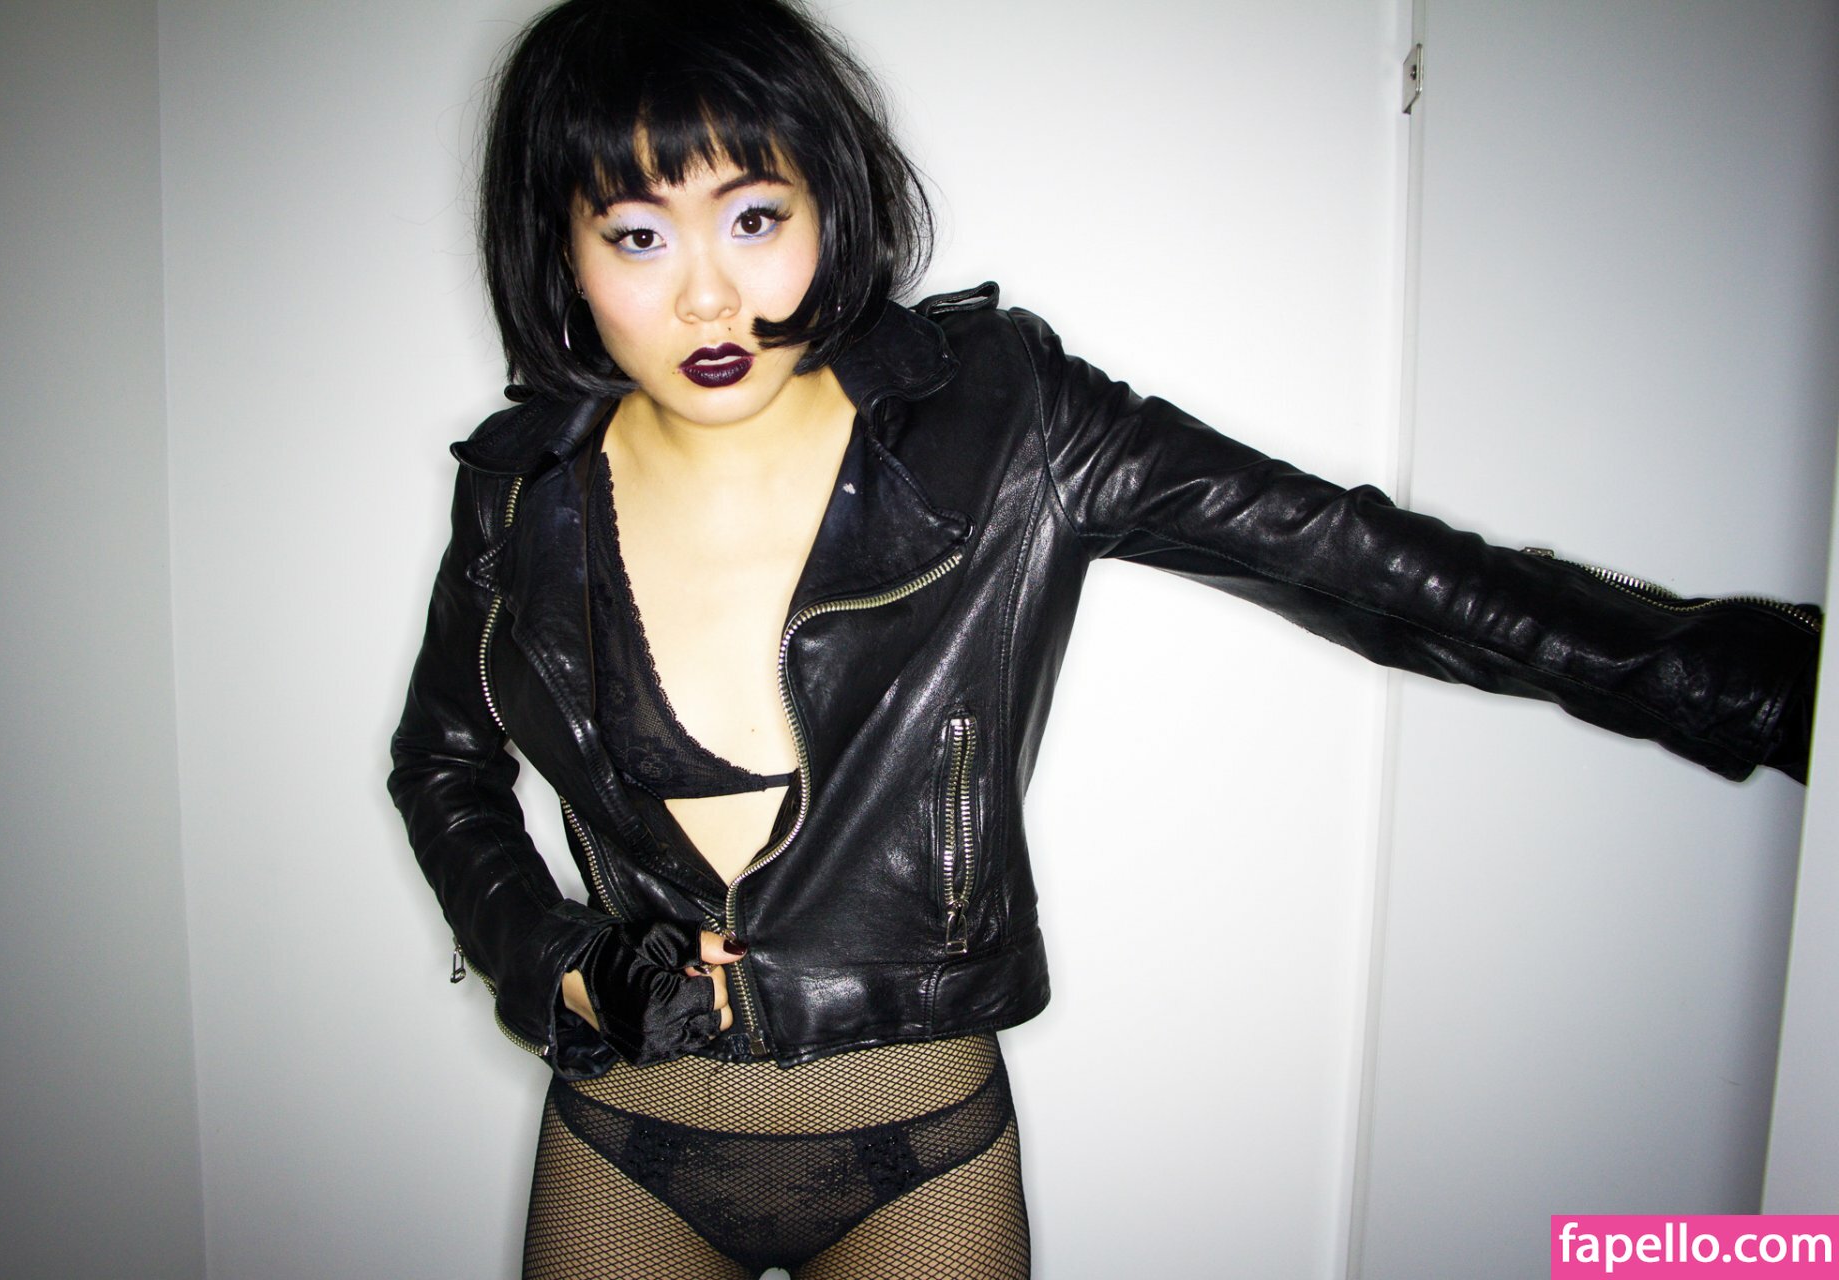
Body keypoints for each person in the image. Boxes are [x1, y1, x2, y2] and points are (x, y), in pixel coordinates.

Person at [387, 0, 1822, 1275]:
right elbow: (442, 766)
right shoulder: (523, 493)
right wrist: (558, 958)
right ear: (564, 252)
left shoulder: (1000, 419)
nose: (707, 293)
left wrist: (1750, 685)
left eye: (753, 216)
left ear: (828, 198)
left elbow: (1352, 555)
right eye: (638, 235)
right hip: (627, 1144)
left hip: (914, 1157)